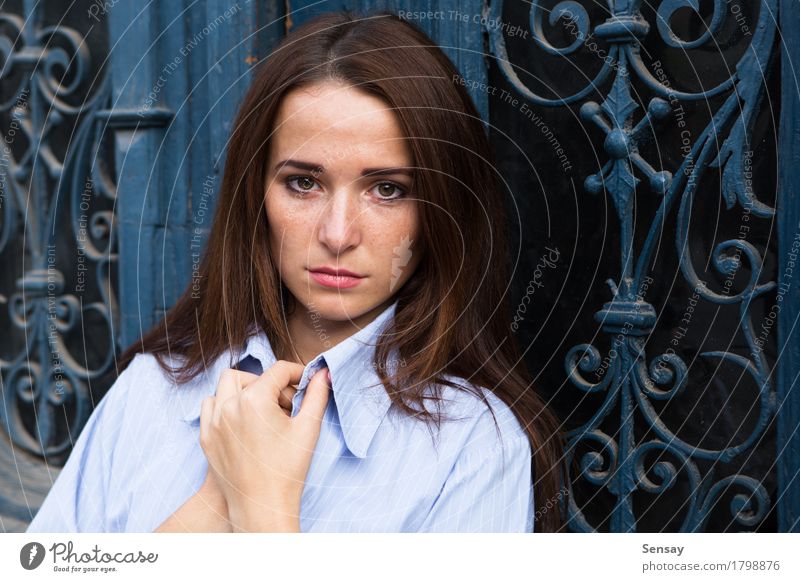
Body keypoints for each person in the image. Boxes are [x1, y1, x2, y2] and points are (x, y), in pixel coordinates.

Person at [26, 9, 564, 533]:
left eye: (388, 189)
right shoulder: (149, 393)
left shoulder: (474, 448)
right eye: (304, 182)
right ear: (256, 193)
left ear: (439, 213)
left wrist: (262, 507)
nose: (337, 233)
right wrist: (216, 501)